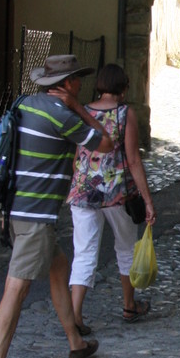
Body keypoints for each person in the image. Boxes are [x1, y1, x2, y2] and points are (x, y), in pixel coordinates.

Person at [0, 54, 115, 358]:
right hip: (37, 215)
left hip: (16, 209)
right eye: (78, 80)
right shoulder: (61, 115)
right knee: (18, 286)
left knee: (58, 269)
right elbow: (106, 142)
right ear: (68, 83)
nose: (81, 85)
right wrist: (79, 108)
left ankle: (76, 344)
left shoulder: (25, 104)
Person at [67, 63, 157, 329]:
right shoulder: (124, 114)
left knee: (83, 254)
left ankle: (74, 317)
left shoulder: (84, 111)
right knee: (126, 249)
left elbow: (77, 157)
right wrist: (148, 200)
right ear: (124, 87)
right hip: (117, 194)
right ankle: (129, 306)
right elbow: (133, 160)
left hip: (83, 192)